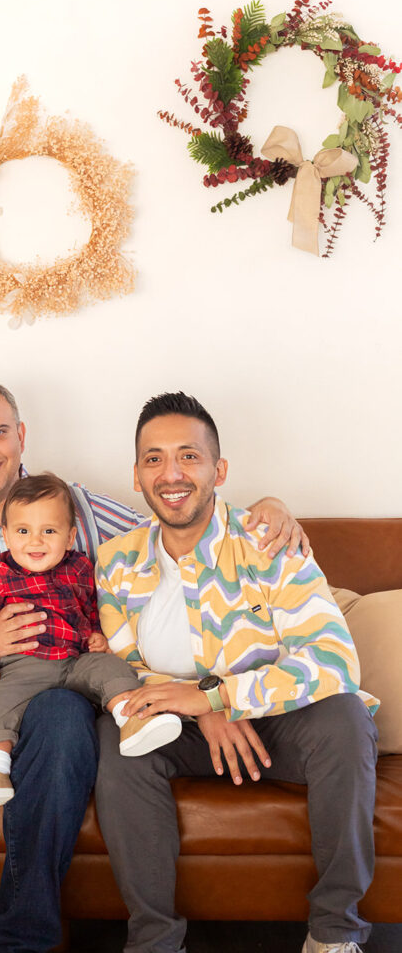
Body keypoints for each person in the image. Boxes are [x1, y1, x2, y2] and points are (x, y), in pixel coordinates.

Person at [0, 377, 308, 953]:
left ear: (21, 435)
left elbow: (186, 534)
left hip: (43, 700)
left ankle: (21, 940)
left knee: (63, 715)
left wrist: (266, 511)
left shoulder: (77, 508)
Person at [94, 391, 379, 953]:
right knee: (118, 737)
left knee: (346, 719)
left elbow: (332, 659)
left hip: (280, 723)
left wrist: (222, 697)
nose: (171, 473)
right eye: (153, 459)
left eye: (188, 456)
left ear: (218, 469)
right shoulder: (116, 560)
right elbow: (123, 664)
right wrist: (200, 707)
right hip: (177, 726)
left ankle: (334, 932)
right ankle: (154, 941)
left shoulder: (268, 541)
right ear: (135, 474)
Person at [0, 473, 182, 808]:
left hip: (75, 662)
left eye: (49, 531)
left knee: (111, 667)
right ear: (6, 536)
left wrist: (95, 636)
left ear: (70, 536)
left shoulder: (81, 568)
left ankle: (131, 720)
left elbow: (89, 608)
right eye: (23, 531)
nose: (36, 542)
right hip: (23, 667)